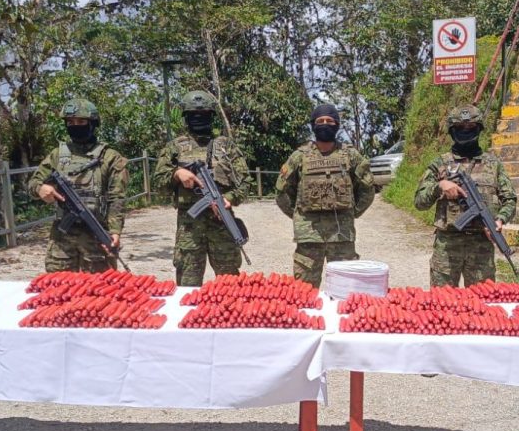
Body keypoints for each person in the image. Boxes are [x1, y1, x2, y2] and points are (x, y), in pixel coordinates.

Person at [153, 90, 251, 286]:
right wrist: (176, 174)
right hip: (190, 228)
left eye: (204, 115)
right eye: (194, 115)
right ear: (186, 118)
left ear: (212, 117)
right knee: (187, 288)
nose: (199, 119)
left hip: (222, 225)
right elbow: (158, 184)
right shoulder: (174, 147)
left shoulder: (226, 147)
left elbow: (246, 182)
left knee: (229, 287)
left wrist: (229, 198)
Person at [414, 105, 517, 287]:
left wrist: (500, 220)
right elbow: (419, 202)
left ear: (479, 129)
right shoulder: (440, 164)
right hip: (447, 247)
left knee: (481, 305)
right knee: (442, 305)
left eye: (470, 128)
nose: (465, 132)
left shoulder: (493, 164)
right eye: (460, 128)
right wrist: (440, 187)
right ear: (452, 131)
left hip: (481, 246)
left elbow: (510, 200)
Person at [275, 104, 375, 287]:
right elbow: (282, 191)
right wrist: (298, 215)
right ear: (313, 125)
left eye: (329, 121)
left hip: (342, 236)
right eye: (320, 121)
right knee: (304, 293)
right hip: (309, 237)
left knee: (345, 291)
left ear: (337, 124)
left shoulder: (351, 155)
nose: (325, 124)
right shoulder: (299, 157)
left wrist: (353, 212)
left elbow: (367, 189)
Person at [28, 98, 129, 273]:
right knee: (59, 291)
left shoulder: (110, 157)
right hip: (62, 240)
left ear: (93, 123)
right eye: (70, 122)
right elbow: (32, 183)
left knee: (100, 293)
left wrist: (115, 232)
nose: (75, 125)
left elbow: (117, 198)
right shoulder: (57, 155)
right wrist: (41, 189)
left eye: (81, 121)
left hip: (96, 236)